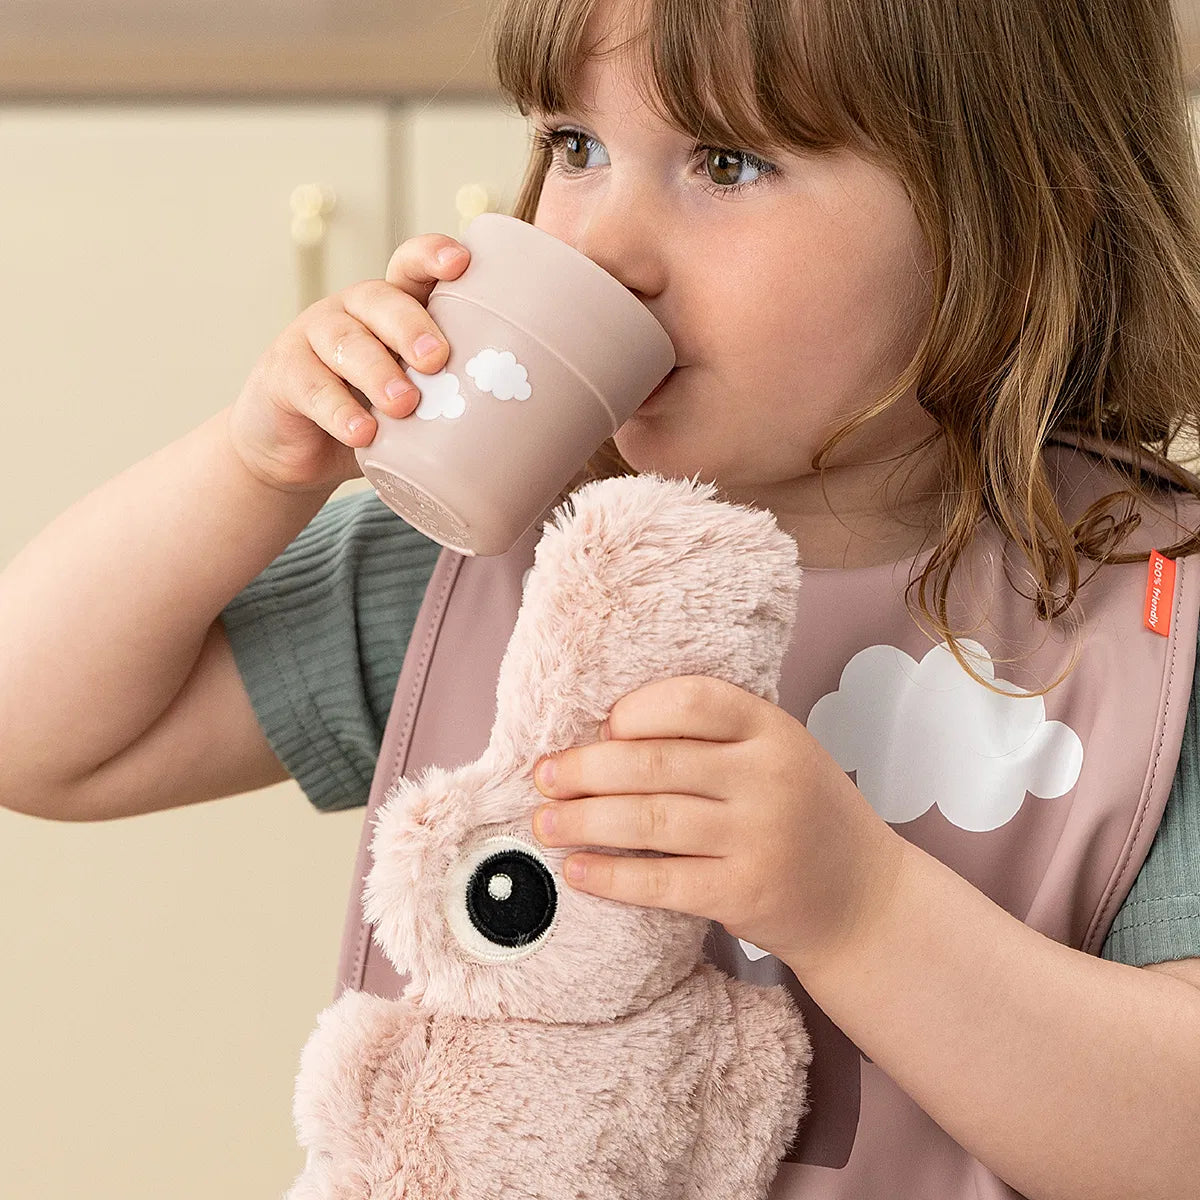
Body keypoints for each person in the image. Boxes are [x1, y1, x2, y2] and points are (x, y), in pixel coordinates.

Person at [3, 0, 1200, 1195]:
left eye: (727, 163)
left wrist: (861, 911)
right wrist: (252, 466)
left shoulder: (1151, 625)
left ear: (1024, 208)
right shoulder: (502, 540)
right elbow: (39, 737)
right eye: (574, 146)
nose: (601, 245)